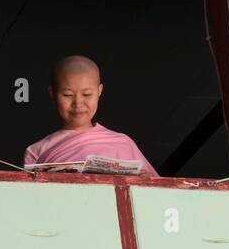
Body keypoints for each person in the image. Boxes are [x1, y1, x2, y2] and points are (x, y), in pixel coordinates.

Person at [24, 55, 156, 175]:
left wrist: (145, 180)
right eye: (67, 95)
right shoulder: (36, 151)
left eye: (87, 94)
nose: (78, 103)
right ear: (52, 93)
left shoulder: (123, 143)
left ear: (99, 91)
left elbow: (158, 191)